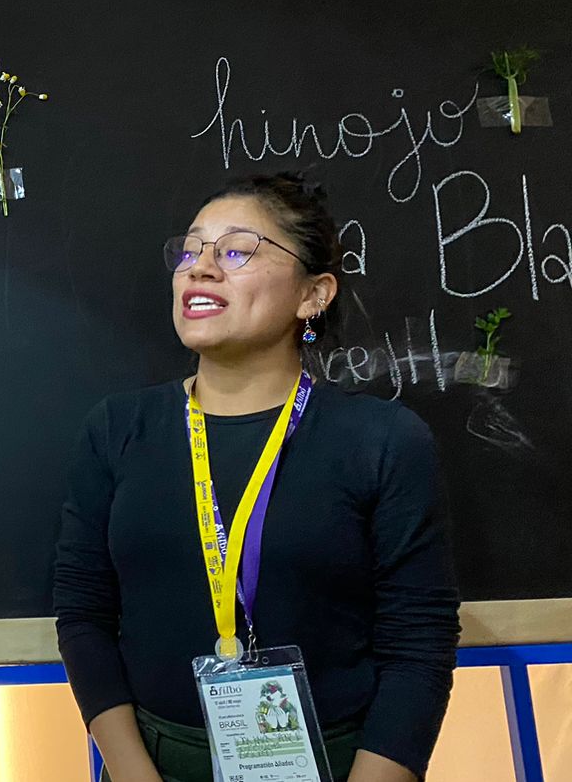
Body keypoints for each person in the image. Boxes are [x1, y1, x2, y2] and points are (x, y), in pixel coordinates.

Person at [54, 173, 460, 782]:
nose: (200, 268)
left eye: (237, 250)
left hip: (340, 763)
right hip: (155, 760)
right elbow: (83, 615)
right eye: (190, 250)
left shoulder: (382, 440)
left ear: (314, 294)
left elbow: (418, 644)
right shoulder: (118, 430)